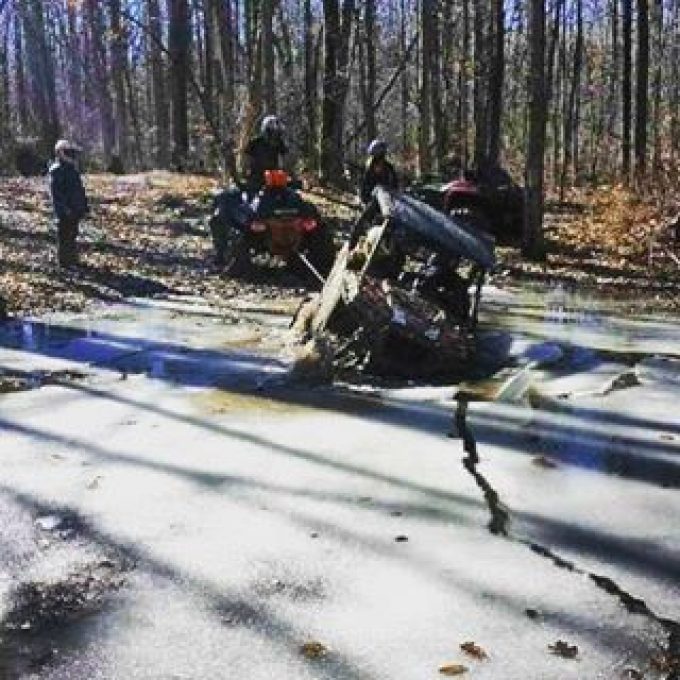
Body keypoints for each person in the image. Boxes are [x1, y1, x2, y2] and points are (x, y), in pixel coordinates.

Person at [49, 139, 89, 267]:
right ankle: (64, 262)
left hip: (75, 209)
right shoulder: (57, 171)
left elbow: (78, 190)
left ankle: (72, 259)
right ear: (60, 153)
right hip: (65, 211)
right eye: (68, 152)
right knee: (65, 236)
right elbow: (57, 194)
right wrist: (64, 209)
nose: (72, 156)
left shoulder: (72, 169)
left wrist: (83, 206)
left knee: (72, 235)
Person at [243, 115, 288, 196]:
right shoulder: (255, 142)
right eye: (272, 132)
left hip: (274, 177)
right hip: (256, 178)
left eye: (277, 133)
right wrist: (248, 170)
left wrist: (285, 171)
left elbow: (285, 156)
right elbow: (246, 158)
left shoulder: (279, 143)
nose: (275, 136)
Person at [359, 139, 399, 205]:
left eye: (380, 154)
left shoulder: (389, 167)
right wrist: (365, 199)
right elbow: (364, 185)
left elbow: (395, 184)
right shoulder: (369, 168)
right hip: (373, 198)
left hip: (388, 197)